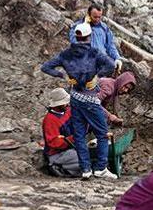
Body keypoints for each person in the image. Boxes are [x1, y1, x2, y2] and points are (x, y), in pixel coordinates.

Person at [41, 22, 118, 180]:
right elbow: (111, 65)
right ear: (89, 36)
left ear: (76, 36)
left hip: (75, 97)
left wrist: (63, 76)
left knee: (79, 135)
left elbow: (46, 67)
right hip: (89, 97)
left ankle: (85, 170)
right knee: (102, 134)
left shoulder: (65, 54)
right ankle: (100, 169)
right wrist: (97, 75)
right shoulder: (93, 52)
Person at [69, 3, 123, 71]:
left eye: (99, 17)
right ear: (88, 14)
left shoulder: (104, 28)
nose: (97, 19)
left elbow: (110, 45)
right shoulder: (77, 27)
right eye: (95, 17)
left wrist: (117, 58)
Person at [42, 88, 80, 177]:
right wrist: (73, 138)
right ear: (57, 104)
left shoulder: (67, 111)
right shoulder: (50, 120)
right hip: (57, 154)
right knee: (84, 158)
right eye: (65, 102)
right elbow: (53, 143)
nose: (68, 104)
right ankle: (57, 167)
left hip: (70, 149)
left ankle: (69, 170)